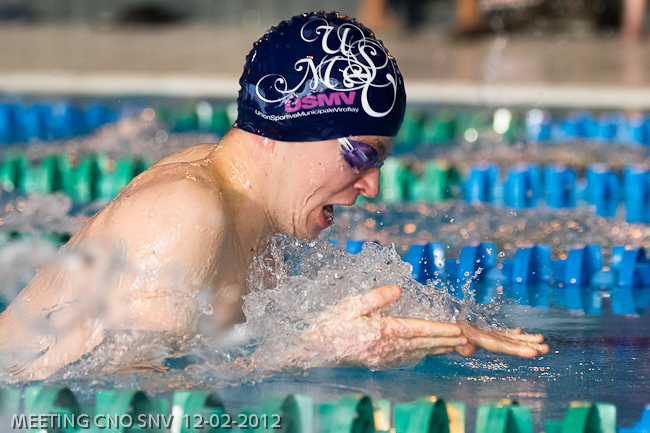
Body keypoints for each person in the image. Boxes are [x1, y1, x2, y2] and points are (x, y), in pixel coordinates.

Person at [0, 11, 548, 381]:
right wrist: (314, 351)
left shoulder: (246, 204)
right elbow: (127, 399)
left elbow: (228, 344)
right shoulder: (184, 213)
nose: (373, 185)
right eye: (360, 154)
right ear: (290, 127)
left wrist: (431, 327)